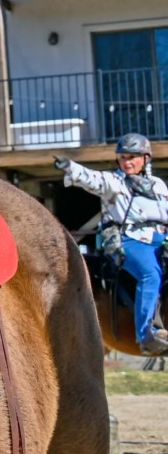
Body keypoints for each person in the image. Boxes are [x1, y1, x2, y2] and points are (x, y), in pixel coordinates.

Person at [57, 134, 168, 355]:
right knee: (150, 274)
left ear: (146, 158)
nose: (127, 162)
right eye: (123, 157)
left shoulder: (158, 185)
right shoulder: (113, 182)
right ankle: (147, 333)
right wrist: (71, 167)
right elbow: (91, 179)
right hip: (128, 241)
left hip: (159, 239)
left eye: (133, 157)